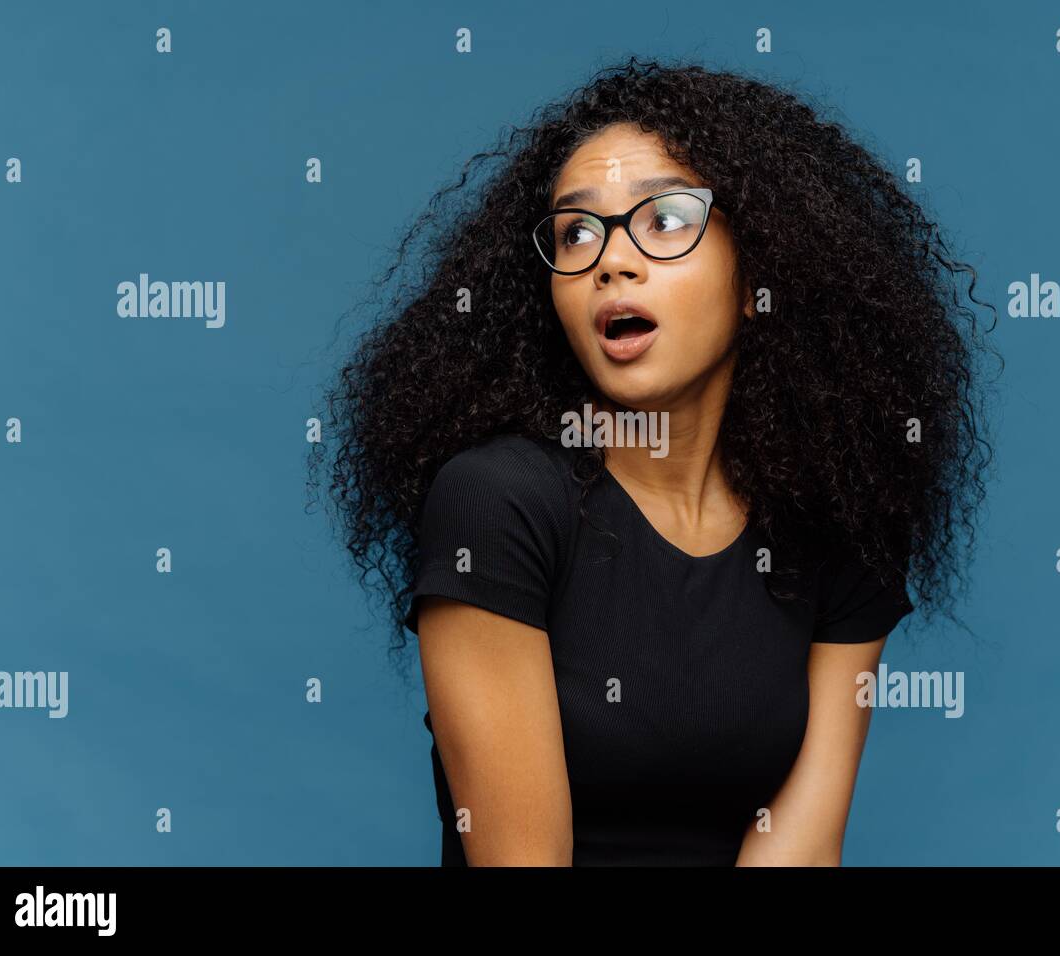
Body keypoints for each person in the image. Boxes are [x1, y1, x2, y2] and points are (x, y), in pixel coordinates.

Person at [315, 57, 999, 866]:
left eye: (666, 220)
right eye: (577, 230)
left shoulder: (838, 520)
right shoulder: (496, 505)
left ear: (760, 278)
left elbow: (802, 850)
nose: (612, 259)